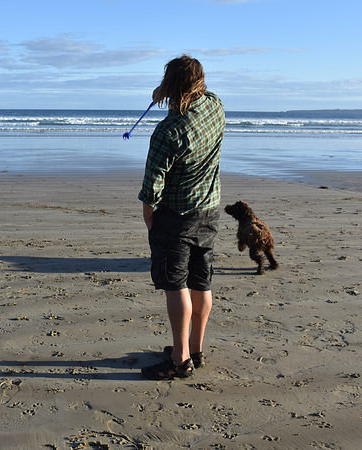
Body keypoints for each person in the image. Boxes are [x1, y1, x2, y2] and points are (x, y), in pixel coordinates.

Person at [138, 55, 225, 380]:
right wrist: (169, 92)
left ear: (172, 85)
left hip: (177, 216)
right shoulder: (216, 106)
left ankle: (180, 358)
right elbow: (200, 95)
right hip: (209, 210)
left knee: (176, 285)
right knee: (200, 280)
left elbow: (152, 187)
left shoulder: (169, 130)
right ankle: (195, 349)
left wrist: (150, 220)